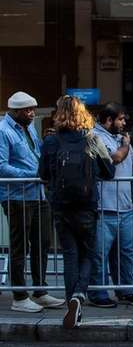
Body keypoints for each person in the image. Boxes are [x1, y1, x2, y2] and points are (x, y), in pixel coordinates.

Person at [39, 96, 115, 329]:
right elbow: (109, 171)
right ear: (84, 114)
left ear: (59, 114)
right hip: (86, 206)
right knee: (88, 254)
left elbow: (42, 173)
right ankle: (79, 295)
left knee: (70, 254)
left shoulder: (51, 141)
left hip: (61, 206)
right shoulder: (92, 138)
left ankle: (72, 299)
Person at [0, 92, 64, 312]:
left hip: (38, 194)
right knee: (20, 247)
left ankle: (40, 290)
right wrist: (32, 173)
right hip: (17, 197)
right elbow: (1, 166)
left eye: (33, 109)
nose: (32, 113)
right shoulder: (3, 131)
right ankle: (19, 297)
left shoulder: (29, 128)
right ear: (15, 111)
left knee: (42, 243)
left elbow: (35, 155)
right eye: (28, 110)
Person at [88, 103, 133, 308]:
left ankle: (126, 290)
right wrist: (125, 145)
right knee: (100, 254)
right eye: (121, 119)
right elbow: (115, 159)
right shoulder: (94, 137)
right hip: (104, 207)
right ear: (109, 120)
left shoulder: (121, 138)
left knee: (125, 253)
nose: (125, 123)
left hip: (125, 207)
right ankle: (98, 293)